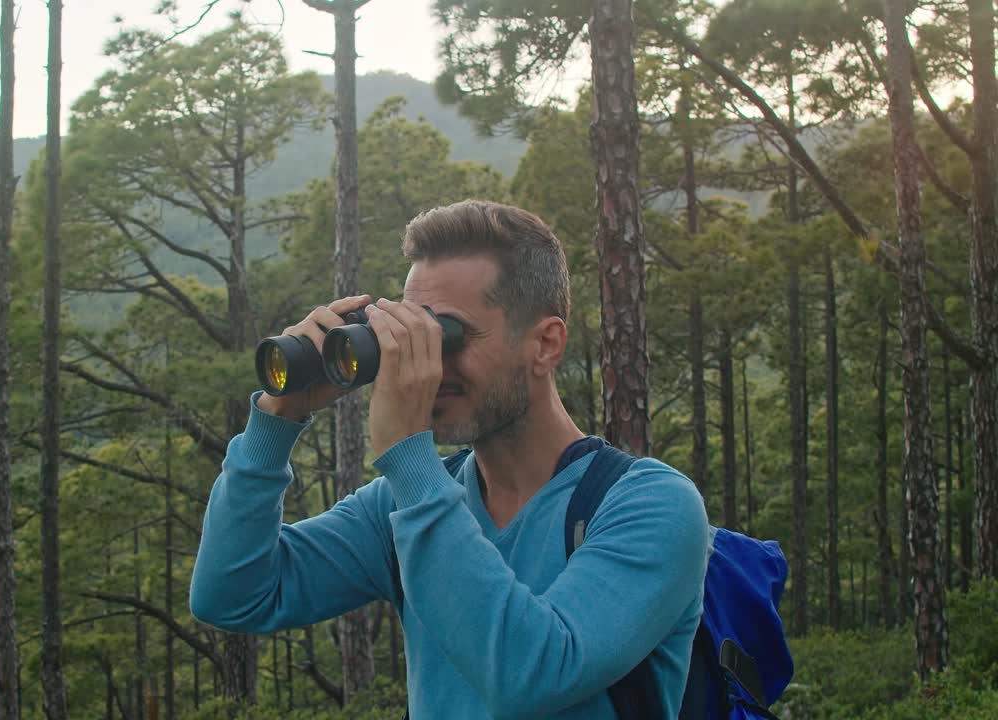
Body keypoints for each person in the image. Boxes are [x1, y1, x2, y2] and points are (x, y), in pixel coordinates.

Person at [190, 200, 709, 719]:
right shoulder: (402, 505)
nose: (429, 364)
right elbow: (233, 595)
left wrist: (408, 457)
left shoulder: (650, 505)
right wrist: (275, 423)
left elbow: (532, 674)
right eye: (416, 332)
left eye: (449, 335)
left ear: (545, 344)